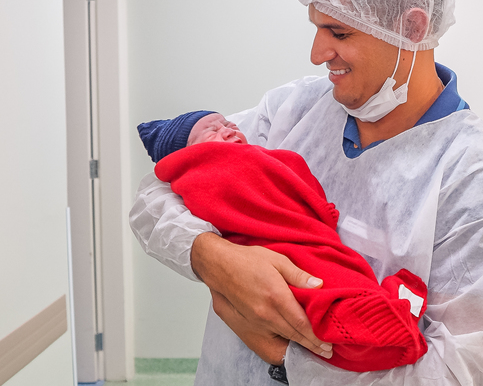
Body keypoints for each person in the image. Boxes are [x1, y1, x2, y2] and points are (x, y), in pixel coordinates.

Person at [129, 0, 483, 386]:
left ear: (412, 26)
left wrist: (286, 357)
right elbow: (157, 194)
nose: (318, 52)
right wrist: (213, 256)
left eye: (339, 32)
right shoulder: (292, 112)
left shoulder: (477, 179)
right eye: (316, 27)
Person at [140, 111, 430, 372]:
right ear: (189, 153)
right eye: (212, 131)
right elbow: (152, 206)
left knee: (329, 287)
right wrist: (210, 253)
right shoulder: (204, 171)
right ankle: (385, 319)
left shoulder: (265, 154)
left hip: (306, 241)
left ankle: (384, 317)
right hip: (272, 247)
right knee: (315, 293)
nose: (228, 129)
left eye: (228, 123)